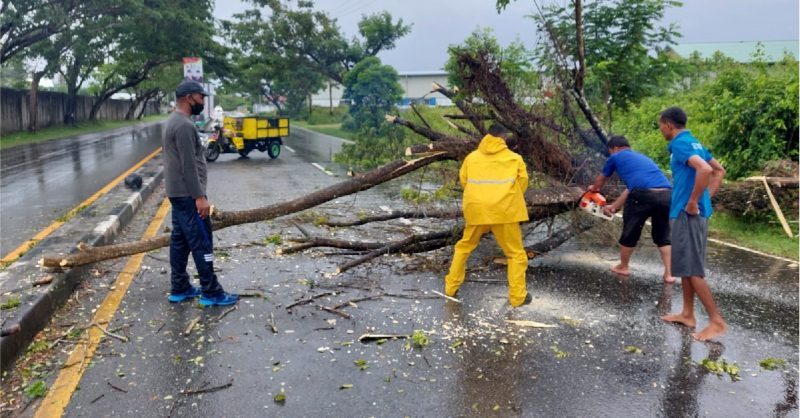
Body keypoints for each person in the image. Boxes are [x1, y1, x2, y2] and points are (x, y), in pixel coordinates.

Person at [163, 80, 238, 307]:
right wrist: (200, 197)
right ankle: (211, 292)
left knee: (181, 241)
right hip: (188, 195)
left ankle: (180, 287)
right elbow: (188, 165)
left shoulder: (172, 121)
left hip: (177, 193)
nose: (203, 101)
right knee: (202, 241)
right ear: (189, 98)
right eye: (200, 97)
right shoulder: (184, 125)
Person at [658, 107, 726, 341]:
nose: (660, 130)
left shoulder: (679, 143)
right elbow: (719, 170)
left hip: (687, 214)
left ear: (668, 124)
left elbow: (706, 169)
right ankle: (688, 314)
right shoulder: (694, 142)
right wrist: (705, 199)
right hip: (691, 213)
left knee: (693, 270)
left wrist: (694, 202)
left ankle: (716, 320)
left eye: (660, 126)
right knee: (686, 267)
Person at [444, 124, 532, 307]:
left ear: (487, 136)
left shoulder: (471, 158)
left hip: (477, 210)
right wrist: (505, 199)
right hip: (505, 212)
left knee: (464, 247)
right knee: (515, 254)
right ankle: (517, 298)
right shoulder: (514, 159)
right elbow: (522, 183)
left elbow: (464, 181)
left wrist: (480, 198)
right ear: (504, 137)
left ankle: (451, 288)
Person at [588, 135, 675, 283]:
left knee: (630, 230)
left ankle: (623, 266)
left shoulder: (615, 157)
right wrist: (614, 206)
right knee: (663, 235)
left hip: (642, 195)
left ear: (614, 148)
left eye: (610, 151)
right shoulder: (642, 159)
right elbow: (631, 189)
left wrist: (594, 189)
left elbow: (602, 178)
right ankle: (669, 274)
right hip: (667, 195)